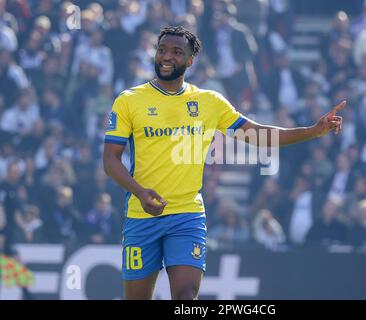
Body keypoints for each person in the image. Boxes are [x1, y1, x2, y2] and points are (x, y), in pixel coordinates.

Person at [102, 26, 346, 300]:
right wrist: (139, 191)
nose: (166, 57)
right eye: (161, 50)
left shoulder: (209, 102)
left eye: (176, 51)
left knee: (186, 297)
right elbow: (110, 160)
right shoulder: (129, 100)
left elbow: (258, 135)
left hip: (186, 215)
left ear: (190, 60)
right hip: (141, 216)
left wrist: (312, 130)